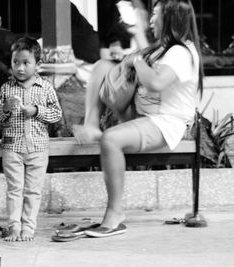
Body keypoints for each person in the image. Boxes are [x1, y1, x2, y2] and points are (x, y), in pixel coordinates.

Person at [75, 0, 203, 237]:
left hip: (167, 123)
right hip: (144, 115)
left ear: (171, 18)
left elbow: (155, 82)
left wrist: (137, 61)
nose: (152, 20)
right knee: (103, 66)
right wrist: (133, 50)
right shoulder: (164, 48)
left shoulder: (181, 52)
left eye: (156, 15)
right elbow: (144, 63)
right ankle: (91, 125)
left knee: (111, 139)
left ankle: (115, 214)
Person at [0, 37, 62, 241]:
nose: (20, 68)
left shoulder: (46, 87)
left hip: (38, 148)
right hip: (12, 147)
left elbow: (56, 114)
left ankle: (28, 228)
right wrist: (5, 109)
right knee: (14, 189)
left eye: (26, 63)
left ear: (37, 65)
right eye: (16, 63)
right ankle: (14, 227)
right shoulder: (6, 88)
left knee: (33, 191)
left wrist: (37, 111)